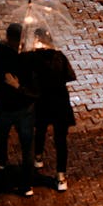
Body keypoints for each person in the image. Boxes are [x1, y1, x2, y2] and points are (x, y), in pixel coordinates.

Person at [0, 22, 39, 197]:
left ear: (8, 37)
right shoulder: (28, 57)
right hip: (24, 108)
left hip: (5, 107)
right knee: (27, 147)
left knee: (1, 137)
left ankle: (1, 165)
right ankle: (26, 185)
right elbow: (34, 85)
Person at [30, 28, 76, 192]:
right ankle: (61, 176)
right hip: (60, 103)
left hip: (43, 102)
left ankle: (38, 157)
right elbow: (71, 76)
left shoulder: (33, 59)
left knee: (40, 129)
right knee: (61, 141)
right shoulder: (60, 57)